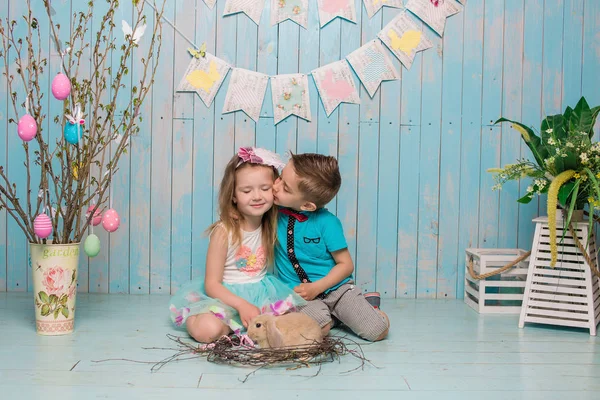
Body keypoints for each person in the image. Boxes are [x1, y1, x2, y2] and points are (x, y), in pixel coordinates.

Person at [169, 147, 306, 343]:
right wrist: (241, 305)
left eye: (265, 189)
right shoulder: (224, 232)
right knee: (207, 331)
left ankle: (241, 327)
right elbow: (212, 284)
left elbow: (299, 200)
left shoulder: (272, 223)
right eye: (246, 190)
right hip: (226, 297)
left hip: (262, 293)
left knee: (296, 325)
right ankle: (196, 317)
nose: (257, 196)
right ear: (233, 195)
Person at [272, 152, 389, 342]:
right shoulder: (272, 212)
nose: (275, 186)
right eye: (279, 177)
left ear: (308, 205)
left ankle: (368, 306)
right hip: (300, 294)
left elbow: (345, 265)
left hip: (336, 289)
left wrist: (317, 287)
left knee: (377, 330)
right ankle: (334, 316)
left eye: (285, 187)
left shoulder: (328, 223)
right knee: (318, 327)